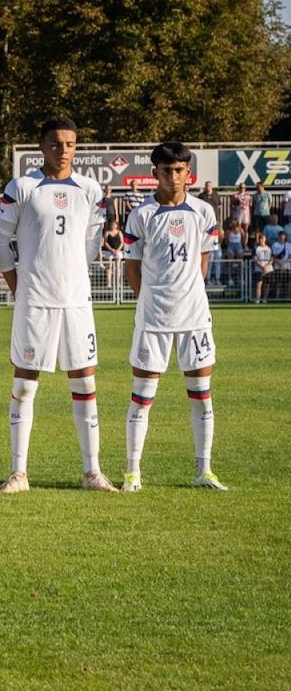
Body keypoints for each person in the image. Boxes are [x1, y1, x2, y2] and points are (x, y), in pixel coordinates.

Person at [0, 117, 117, 493]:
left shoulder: (91, 189)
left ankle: (92, 472)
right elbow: (0, 242)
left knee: (85, 381)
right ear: (42, 146)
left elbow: (92, 242)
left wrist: (77, 273)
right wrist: (19, 288)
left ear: (76, 147)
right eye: (56, 143)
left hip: (76, 303)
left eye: (70, 144)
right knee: (25, 383)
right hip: (35, 302)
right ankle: (18, 473)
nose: (63, 150)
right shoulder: (23, 186)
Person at [121, 142, 226, 491]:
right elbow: (132, 269)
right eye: (166, 170)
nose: (173, 176)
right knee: (142, 396)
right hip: (154, 319)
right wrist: (151, 300)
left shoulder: (203, 212)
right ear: (155, 174)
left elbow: (203, 262)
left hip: (194, 316)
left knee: (201, 394)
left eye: (179, 170)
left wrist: (187, 293)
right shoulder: (141, 215)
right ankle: (133, 472)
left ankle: (204, 471)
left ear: (188, 173)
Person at [251, 232, 272, 302]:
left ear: (265, 239)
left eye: (262, 238)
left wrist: (266, 266)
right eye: (260, 238)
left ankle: (265, 299)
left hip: (268, 269)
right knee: (259, 285)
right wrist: (261, 266)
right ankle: (258, 299)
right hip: (259, 269)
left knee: (267, 285)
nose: (261, 240)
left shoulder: (269, 248)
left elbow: (272, 259)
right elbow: (255, 259)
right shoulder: (256, 248)